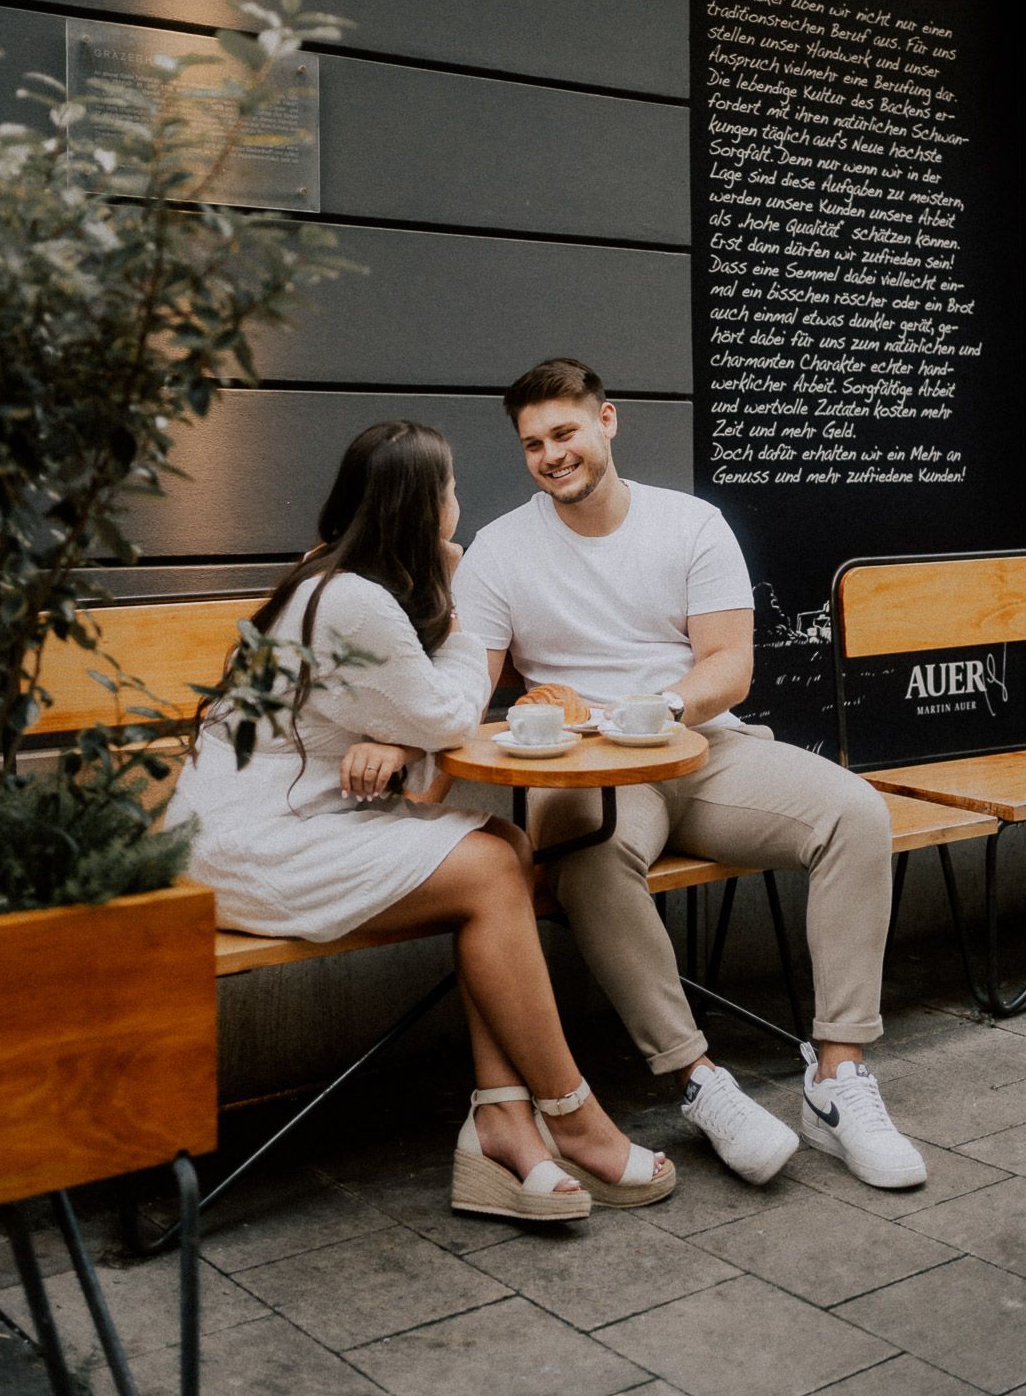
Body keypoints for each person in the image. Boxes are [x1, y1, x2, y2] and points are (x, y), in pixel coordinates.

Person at [164, 420, 674, 1222]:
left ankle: (505, 1123)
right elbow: (445, 712)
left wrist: (396, 736)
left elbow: (410, 717)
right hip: (250, 844)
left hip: (277, 818)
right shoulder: (353, 601)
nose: (458, 506)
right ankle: (569, 1115)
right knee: (494, 866)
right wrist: (459, 613)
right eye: (450, 491)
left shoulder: (331, 579)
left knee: (503, 846)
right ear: (419, 507)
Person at [449, 359, 927, 1192]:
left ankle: (837, 1078)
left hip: (704, 750)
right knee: (589, 859)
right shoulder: (499, 549)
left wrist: (660, 708)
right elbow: (467, 686)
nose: (552, 455)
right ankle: (699, 1080)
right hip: (589, 773)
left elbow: (729, 667)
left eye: (565, 432)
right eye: (533, 444)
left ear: (607, 421)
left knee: (854, 812)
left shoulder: (689, 523)